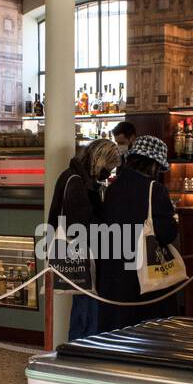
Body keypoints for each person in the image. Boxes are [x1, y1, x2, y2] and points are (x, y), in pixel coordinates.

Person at [96, 134, 180, 333]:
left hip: (113, 270)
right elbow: (166, 233)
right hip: (143, 274)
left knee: (117, 331)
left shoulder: (112, 188)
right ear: (153, 164)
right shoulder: (155, 189)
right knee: (147, 332)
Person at [47, 138, 120, 341]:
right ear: (100, 161)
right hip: (81, 252)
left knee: (84, 306)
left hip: (76, 250)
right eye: (109, 167)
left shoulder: (74, 177)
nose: (109, 173)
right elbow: (78, 225)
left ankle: (81, 348)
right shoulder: (78, 182)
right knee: (86, 309)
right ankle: (80, 350)